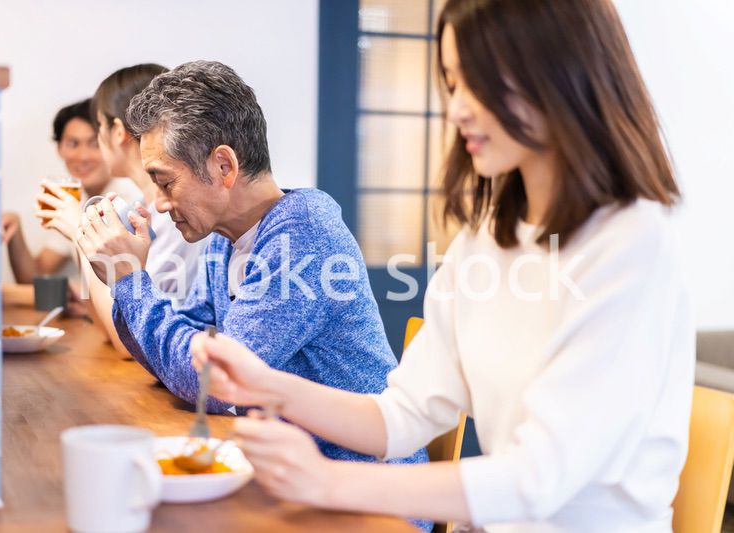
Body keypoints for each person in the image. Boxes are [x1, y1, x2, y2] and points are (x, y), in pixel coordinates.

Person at [190, 0, 694, 531]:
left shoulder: (631, 243)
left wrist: (326, 480)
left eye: (478, 82)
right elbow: (403, 416)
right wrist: (266, 385)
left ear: (561, 77)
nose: (456, 110)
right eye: (453, 83)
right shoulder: (489, 234)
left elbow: (537, 478)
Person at [74, 61, 430, 469]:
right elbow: (183, 353)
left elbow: (210, 381)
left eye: (165, 181)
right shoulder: (224, 242)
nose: (157, 202)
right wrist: (127, 284)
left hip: (367, 495)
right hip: (291, 474)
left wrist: (131, 282)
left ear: (224, 166)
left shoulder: (303, 236)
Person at [39, 64, 205, 355]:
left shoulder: (172, 215)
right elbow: (109, 325)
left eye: (98, 129)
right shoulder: (142, 207)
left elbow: (132, 345)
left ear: (116, 131)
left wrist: (82, 231)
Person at [3, 99, 140, 283]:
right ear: (59, 149)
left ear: (113, 142)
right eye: (73, 144)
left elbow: (125, 287)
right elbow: (36, 276)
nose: (83, 157)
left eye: (94, 144)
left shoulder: (129, 199)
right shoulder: (76, 200)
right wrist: (16, 229)